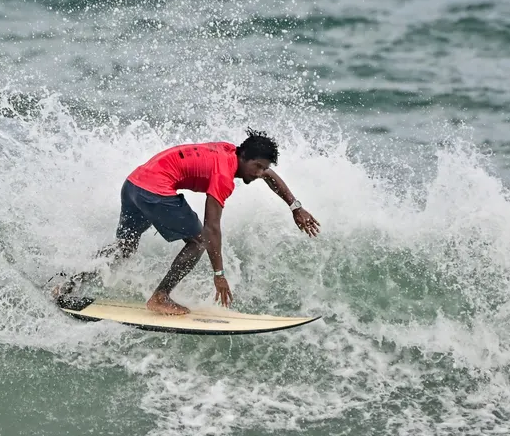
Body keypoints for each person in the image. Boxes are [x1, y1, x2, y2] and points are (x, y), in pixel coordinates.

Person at [55, 130, 320, 315]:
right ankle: (160, 297)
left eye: (263, 168)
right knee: (199, 241)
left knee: (124, 248)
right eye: (258, 167)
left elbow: (271, 176)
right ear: (244, 158)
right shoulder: (223, 175)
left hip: (134, 184)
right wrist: (219, 275)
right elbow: (211, 228)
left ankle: (67, 285)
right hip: (154, 192)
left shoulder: (231, 151)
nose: (261, 173)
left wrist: (295, 207)